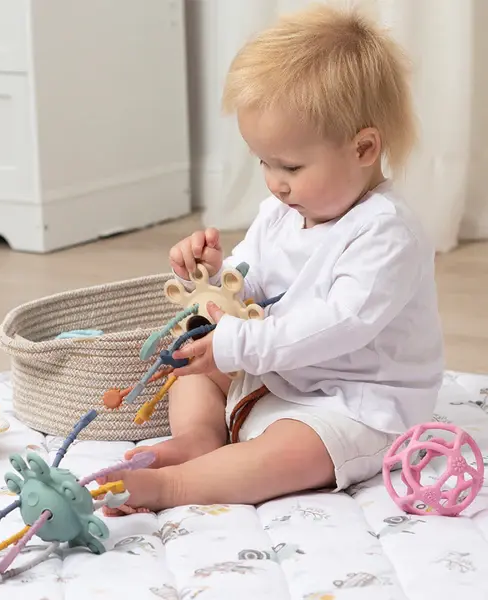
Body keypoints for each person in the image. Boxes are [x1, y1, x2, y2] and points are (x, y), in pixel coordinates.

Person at [101, 3, 444, 513]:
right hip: (281, 369)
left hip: (355, 400)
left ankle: (175, 487)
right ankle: (199, 438)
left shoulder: (387, 233)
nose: (275, 183)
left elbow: (338, 324)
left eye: (291, 167)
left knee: (293, 451)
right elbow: (253, 282)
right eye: (263, 162)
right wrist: (214, 279)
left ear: (364, 148)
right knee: (191, 359)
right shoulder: (282, 212)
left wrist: (237, 345)